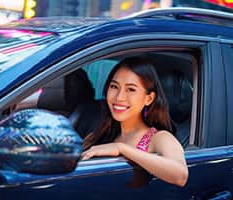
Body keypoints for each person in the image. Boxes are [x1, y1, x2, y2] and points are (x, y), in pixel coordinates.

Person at [81, 57, 188, 187]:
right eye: (114, 86)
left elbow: (180, 175)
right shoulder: (101, 133)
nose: (119, 97)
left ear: (149, 98)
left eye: (131, 89)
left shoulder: (158, 137)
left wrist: (122, 149)